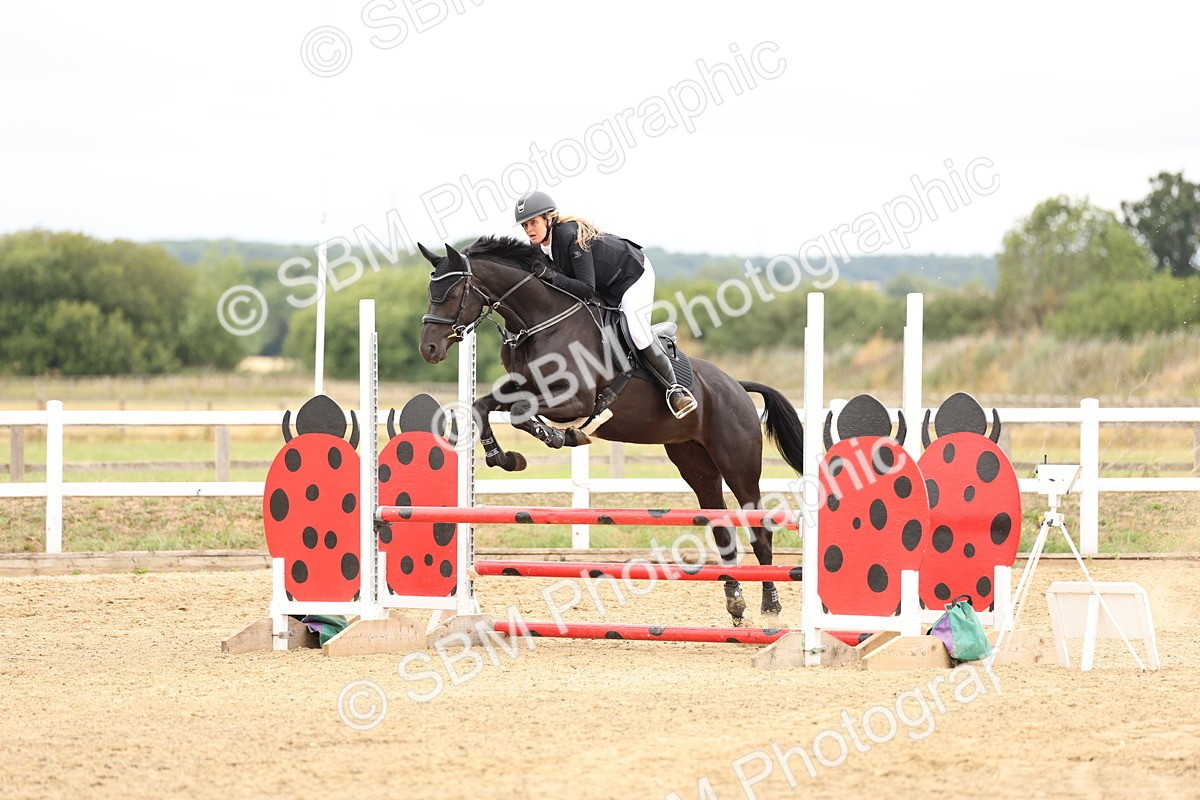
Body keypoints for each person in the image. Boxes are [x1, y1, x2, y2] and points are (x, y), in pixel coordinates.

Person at [514, 190, 697, 419]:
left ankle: (674, 390)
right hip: (606, 285)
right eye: (525, 225)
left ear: (549, 219)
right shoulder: (541, 248)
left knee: (638, 334)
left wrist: (551, 276)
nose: (529, 229)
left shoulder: (569, 236)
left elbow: (586, 289)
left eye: (533, 222)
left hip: (631, 276)